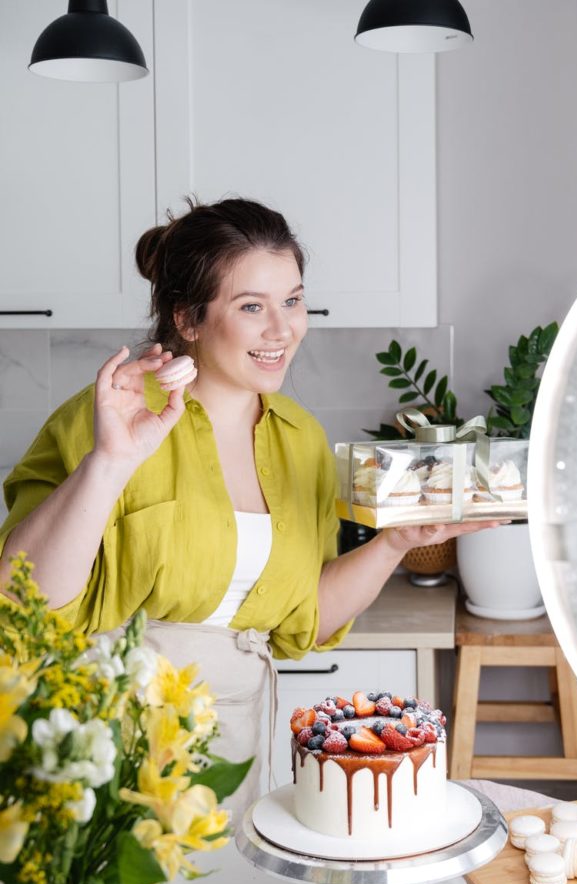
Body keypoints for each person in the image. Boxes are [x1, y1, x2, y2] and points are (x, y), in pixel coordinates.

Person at [0, 197, 503, 815]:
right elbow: (20, 600)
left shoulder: (301, 439)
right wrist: (110, 463)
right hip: (100, 737)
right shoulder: (113, 415)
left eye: (292, 300)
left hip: (233, 744)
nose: (282, 329)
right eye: (250, 307)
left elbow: (305, 621)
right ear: (187, 319)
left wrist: (396, 540)